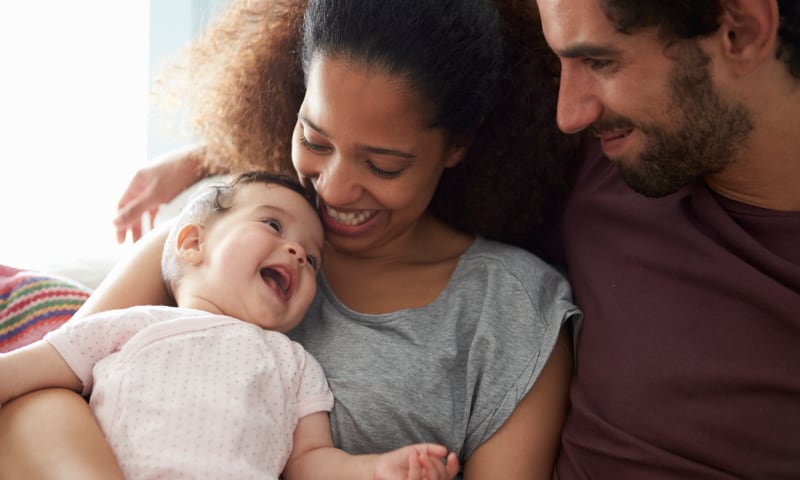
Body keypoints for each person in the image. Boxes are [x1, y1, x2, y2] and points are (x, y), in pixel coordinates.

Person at [0, 0, 582, 479]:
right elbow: (41, 397)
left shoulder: (512, 314)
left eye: (382, 166)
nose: (332, 188)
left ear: (458, 145)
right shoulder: (228, 228)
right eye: (316, 138)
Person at [0, 172, 458, 480]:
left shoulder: (295, 365)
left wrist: (377, 469)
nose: (299, 253)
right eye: (273, 225)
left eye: (313, 259)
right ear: (193, 242)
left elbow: (312, 462)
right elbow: (29, 368)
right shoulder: (133, 324)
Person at [534, 0, 800, 478]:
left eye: (599, 62)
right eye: (561, 64)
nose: (569, 114)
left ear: (740, 32)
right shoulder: (596, 158)